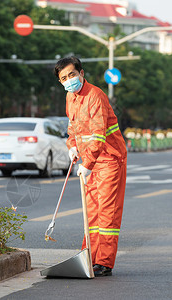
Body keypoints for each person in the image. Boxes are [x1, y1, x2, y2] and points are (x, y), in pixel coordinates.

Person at [54, 56, 127, 277]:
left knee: (106, 211)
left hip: (109, 159)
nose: (69, 80)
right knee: (92, 210)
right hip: (89, 159)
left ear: (81, 73)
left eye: (72, 75)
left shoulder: (95, 96)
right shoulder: (70, 97)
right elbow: (73, 127)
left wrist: (87, 164)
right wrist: (72, 146)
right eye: (64, 78)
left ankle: (104, 261)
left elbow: (98, 135)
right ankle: (90, 256)